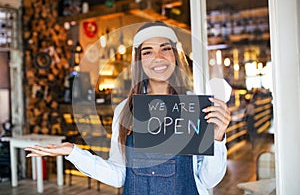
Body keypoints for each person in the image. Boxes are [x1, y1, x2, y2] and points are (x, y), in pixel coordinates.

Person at [25, 21, 231, 195]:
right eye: (148, 51)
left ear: (175, 56)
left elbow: (208, 179)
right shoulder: (126, 110)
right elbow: (118, 176)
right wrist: (73, 152)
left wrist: (218, 138)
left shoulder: (195, 106)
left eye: (165, 49)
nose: (158, 57)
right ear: (140, 62)